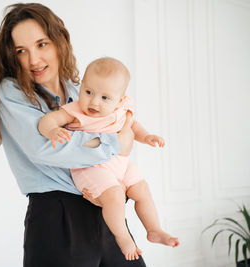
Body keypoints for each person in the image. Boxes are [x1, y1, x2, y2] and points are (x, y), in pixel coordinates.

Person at [0, 3, 146, 266]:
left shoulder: (81, 91)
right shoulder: (12, 92)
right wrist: (115, 143)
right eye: (21, 51)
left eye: (42, 44)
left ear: (59, 41)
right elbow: (46, 149)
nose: (34, 60)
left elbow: (124, 128)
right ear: (11, 56)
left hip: (104, 210)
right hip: (57, 218)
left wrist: (122, 143)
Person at [38, 57, 180, 260]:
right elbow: (48, 120)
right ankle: (122, 237)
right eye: (88, 92)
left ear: (120, 100)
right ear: (82, 87)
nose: (94, 101)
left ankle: (154, 229)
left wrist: (146, 136)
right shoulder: (76, 111)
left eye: (105, 98)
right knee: (115, 196)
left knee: (142, 189)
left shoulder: (122, 109)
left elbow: (133, 125)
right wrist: (52, 130)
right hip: (91, 168)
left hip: (121, 164)